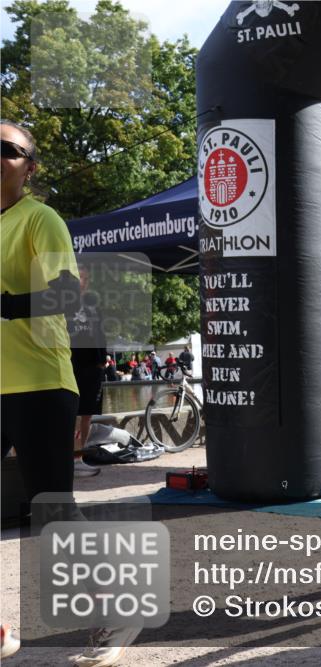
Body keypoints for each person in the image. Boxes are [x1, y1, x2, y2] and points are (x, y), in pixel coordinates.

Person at [2, 120, 141, 665]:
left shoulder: (39, 218)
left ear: (29, 167)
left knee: (52, 514)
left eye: (7, 150)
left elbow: (62, 295)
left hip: (39, 384)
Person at [68, 262, 106, 477]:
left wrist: (102, 360)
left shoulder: (93, 305)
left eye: (85, 279)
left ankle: (79, 457)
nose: (82, 282)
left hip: (92, 367)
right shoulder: (62, 304)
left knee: (87, 414)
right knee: (70, 412)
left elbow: (100, 334)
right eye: (79, 278)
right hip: (71, 365)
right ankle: (69, 458)